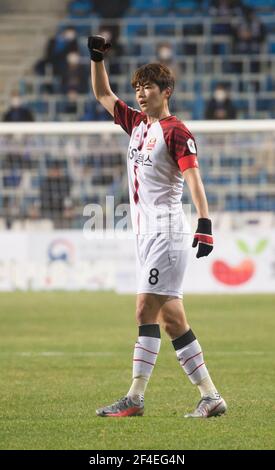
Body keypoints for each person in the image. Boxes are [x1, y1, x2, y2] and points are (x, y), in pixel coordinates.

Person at [88, 35, 227, 418]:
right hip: (145, 235)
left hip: (166, 232)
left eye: (147, 87)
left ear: (166, 91)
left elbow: (193, 178)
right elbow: (102, 95)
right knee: (172, 320)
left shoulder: (175, 131)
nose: (140, 93)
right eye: (136, 88)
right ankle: (211, 396)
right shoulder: (136, 124)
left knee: (144, 311)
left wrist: (205, 221)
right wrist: (97, 58)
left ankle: (134, 397)